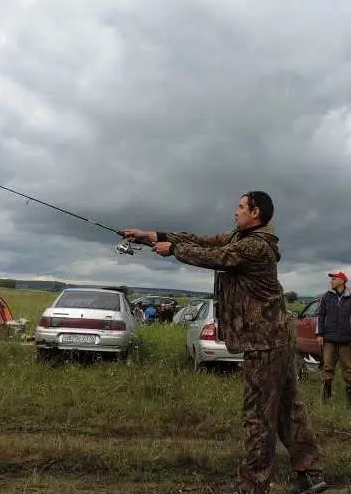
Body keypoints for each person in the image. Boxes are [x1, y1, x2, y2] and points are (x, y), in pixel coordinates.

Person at [121, 191, 327, 494]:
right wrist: (151, 235)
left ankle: (252, 485)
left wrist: (174, 249)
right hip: (275, 338)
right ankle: (310, 475)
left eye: (241, 207)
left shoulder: (255, 246)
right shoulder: (240, 237)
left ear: (255, 213)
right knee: (287, 410)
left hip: (265, 341)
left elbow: (216, 257)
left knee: (258, 415)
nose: (235, 212)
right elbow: (205, 241)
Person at [315, 270, 351, 406]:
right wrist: (319, 334)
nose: (331, 281)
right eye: (332, 279)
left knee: (349, 369)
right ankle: (326, 398)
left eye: (334, 279)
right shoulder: (326, 296)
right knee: (327, 368)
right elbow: (321, 315)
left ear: (342, 281)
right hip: (329, 339)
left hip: (346, 340)